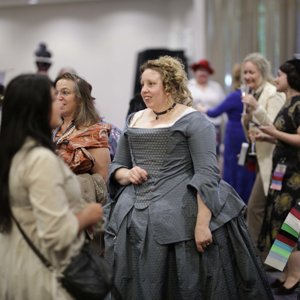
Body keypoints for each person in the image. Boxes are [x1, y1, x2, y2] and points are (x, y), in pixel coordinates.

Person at [104, 56, 273, 300]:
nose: (144, 90)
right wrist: (126, 173)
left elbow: (206, 173)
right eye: (143, 84)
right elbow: (117, 165)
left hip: (181, 209)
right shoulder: (135, 119)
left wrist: (202, 224)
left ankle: (285, 269)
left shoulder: (193, 121)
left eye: (151, 84)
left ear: (170, 87)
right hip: (133, 211)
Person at [0, 74, 103, 299]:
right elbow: (55, 234)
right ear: (37, 108)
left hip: (17, 265)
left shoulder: (13, 153)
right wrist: (88, 215)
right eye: (53, 97)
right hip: (44, 276)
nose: (59, 102)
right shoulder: (40, 160)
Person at [256, 59, 300, 295]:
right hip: (281, 172)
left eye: (280, 74)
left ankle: (295, 275)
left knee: (290, 224)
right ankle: (285, 273)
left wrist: (273, 132)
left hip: (295, 177)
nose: (276, 78)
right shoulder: (288, 102)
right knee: (277, 221)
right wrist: (269, 138)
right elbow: (286, 137)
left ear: (291, 78)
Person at [241, 52, 285, 252]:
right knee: (272, 212)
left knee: (260, 209)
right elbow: (252, 128)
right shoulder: (253, 93)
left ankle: (255, 257)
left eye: (252, 72)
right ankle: (268, 261)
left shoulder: (273, 93)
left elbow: (274, 127)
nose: (247, 76)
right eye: (245, 72)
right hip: (263, 158)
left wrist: (256, 107)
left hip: (278, 162)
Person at [197, 63, 255, 203]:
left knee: (232, 165)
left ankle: (233, 199)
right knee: (245, 165)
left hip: (234, 134)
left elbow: (215, 112)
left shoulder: (235, 96)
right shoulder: (251, 96)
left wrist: (201, 108)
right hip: (246, 133)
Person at [53, 72, 111, 206]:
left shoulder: (94, 132)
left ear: (80, 99)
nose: (59, 97)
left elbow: (101, 182)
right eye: (56, 93)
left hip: (77, 208)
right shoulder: (50, 128)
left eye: (65, 92)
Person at [188, 59, 225, 156]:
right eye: (200, 70)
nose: (202, 73)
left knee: (213, 154)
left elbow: (223, 106)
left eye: (205, 70)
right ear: (195, 72)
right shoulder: (189, 86)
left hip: (214, 126)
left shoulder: (216, 87)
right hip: (194, 126)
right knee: (196, 153)